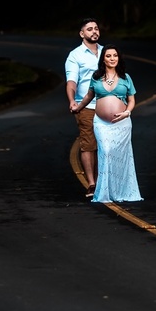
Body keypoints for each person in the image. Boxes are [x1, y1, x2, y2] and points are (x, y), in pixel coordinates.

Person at [72, 44, 142, 203]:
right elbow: (89, 96)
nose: (112, 59)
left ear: (119, 58)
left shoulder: (126, 77)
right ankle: (105, 191)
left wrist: (127, 112)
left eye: (115, 56)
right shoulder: (96, 77)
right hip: (101, 123)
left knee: (121, 156)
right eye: (109, 56)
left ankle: (121, 190)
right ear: (103, 59)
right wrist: (78, 107)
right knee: (107, 152)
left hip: (122, 123)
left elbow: (131, 100)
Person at [64, 18, 103, 194]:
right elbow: (71, 81)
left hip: (108, 105)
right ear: (82, 34)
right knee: (89, 143)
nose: (94, 31)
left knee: (106, 144)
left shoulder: (107, 52)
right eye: (89, 29)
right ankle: (92, 183)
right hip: (86, 106)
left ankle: (104, 181)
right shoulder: (75, 55)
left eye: (96, 28)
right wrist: (72, 101)